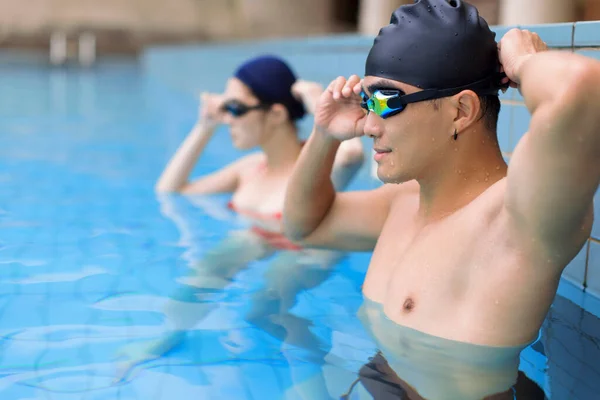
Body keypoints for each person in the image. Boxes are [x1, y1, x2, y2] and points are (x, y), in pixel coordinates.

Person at [283, 0, 599, 397]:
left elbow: (583, 89)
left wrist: (524, 62)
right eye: (367, 102)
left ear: (461, 110)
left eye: (385, 100)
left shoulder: (517, 219)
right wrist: (324, 135)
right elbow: (304, 226)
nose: (369, 125)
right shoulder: (403, 201)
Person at [115, 55, 365, 387]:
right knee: (224, 256)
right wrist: (205, 125)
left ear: (275, 114)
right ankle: (171, 333)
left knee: (261, 306)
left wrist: (316, 96)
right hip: (261, 238)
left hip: (309, 252)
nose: (228, 119)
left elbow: (352, 154)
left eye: (235, 109)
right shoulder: (248, 169)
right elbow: (172, 191)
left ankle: (312, 375)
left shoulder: (317, 165)